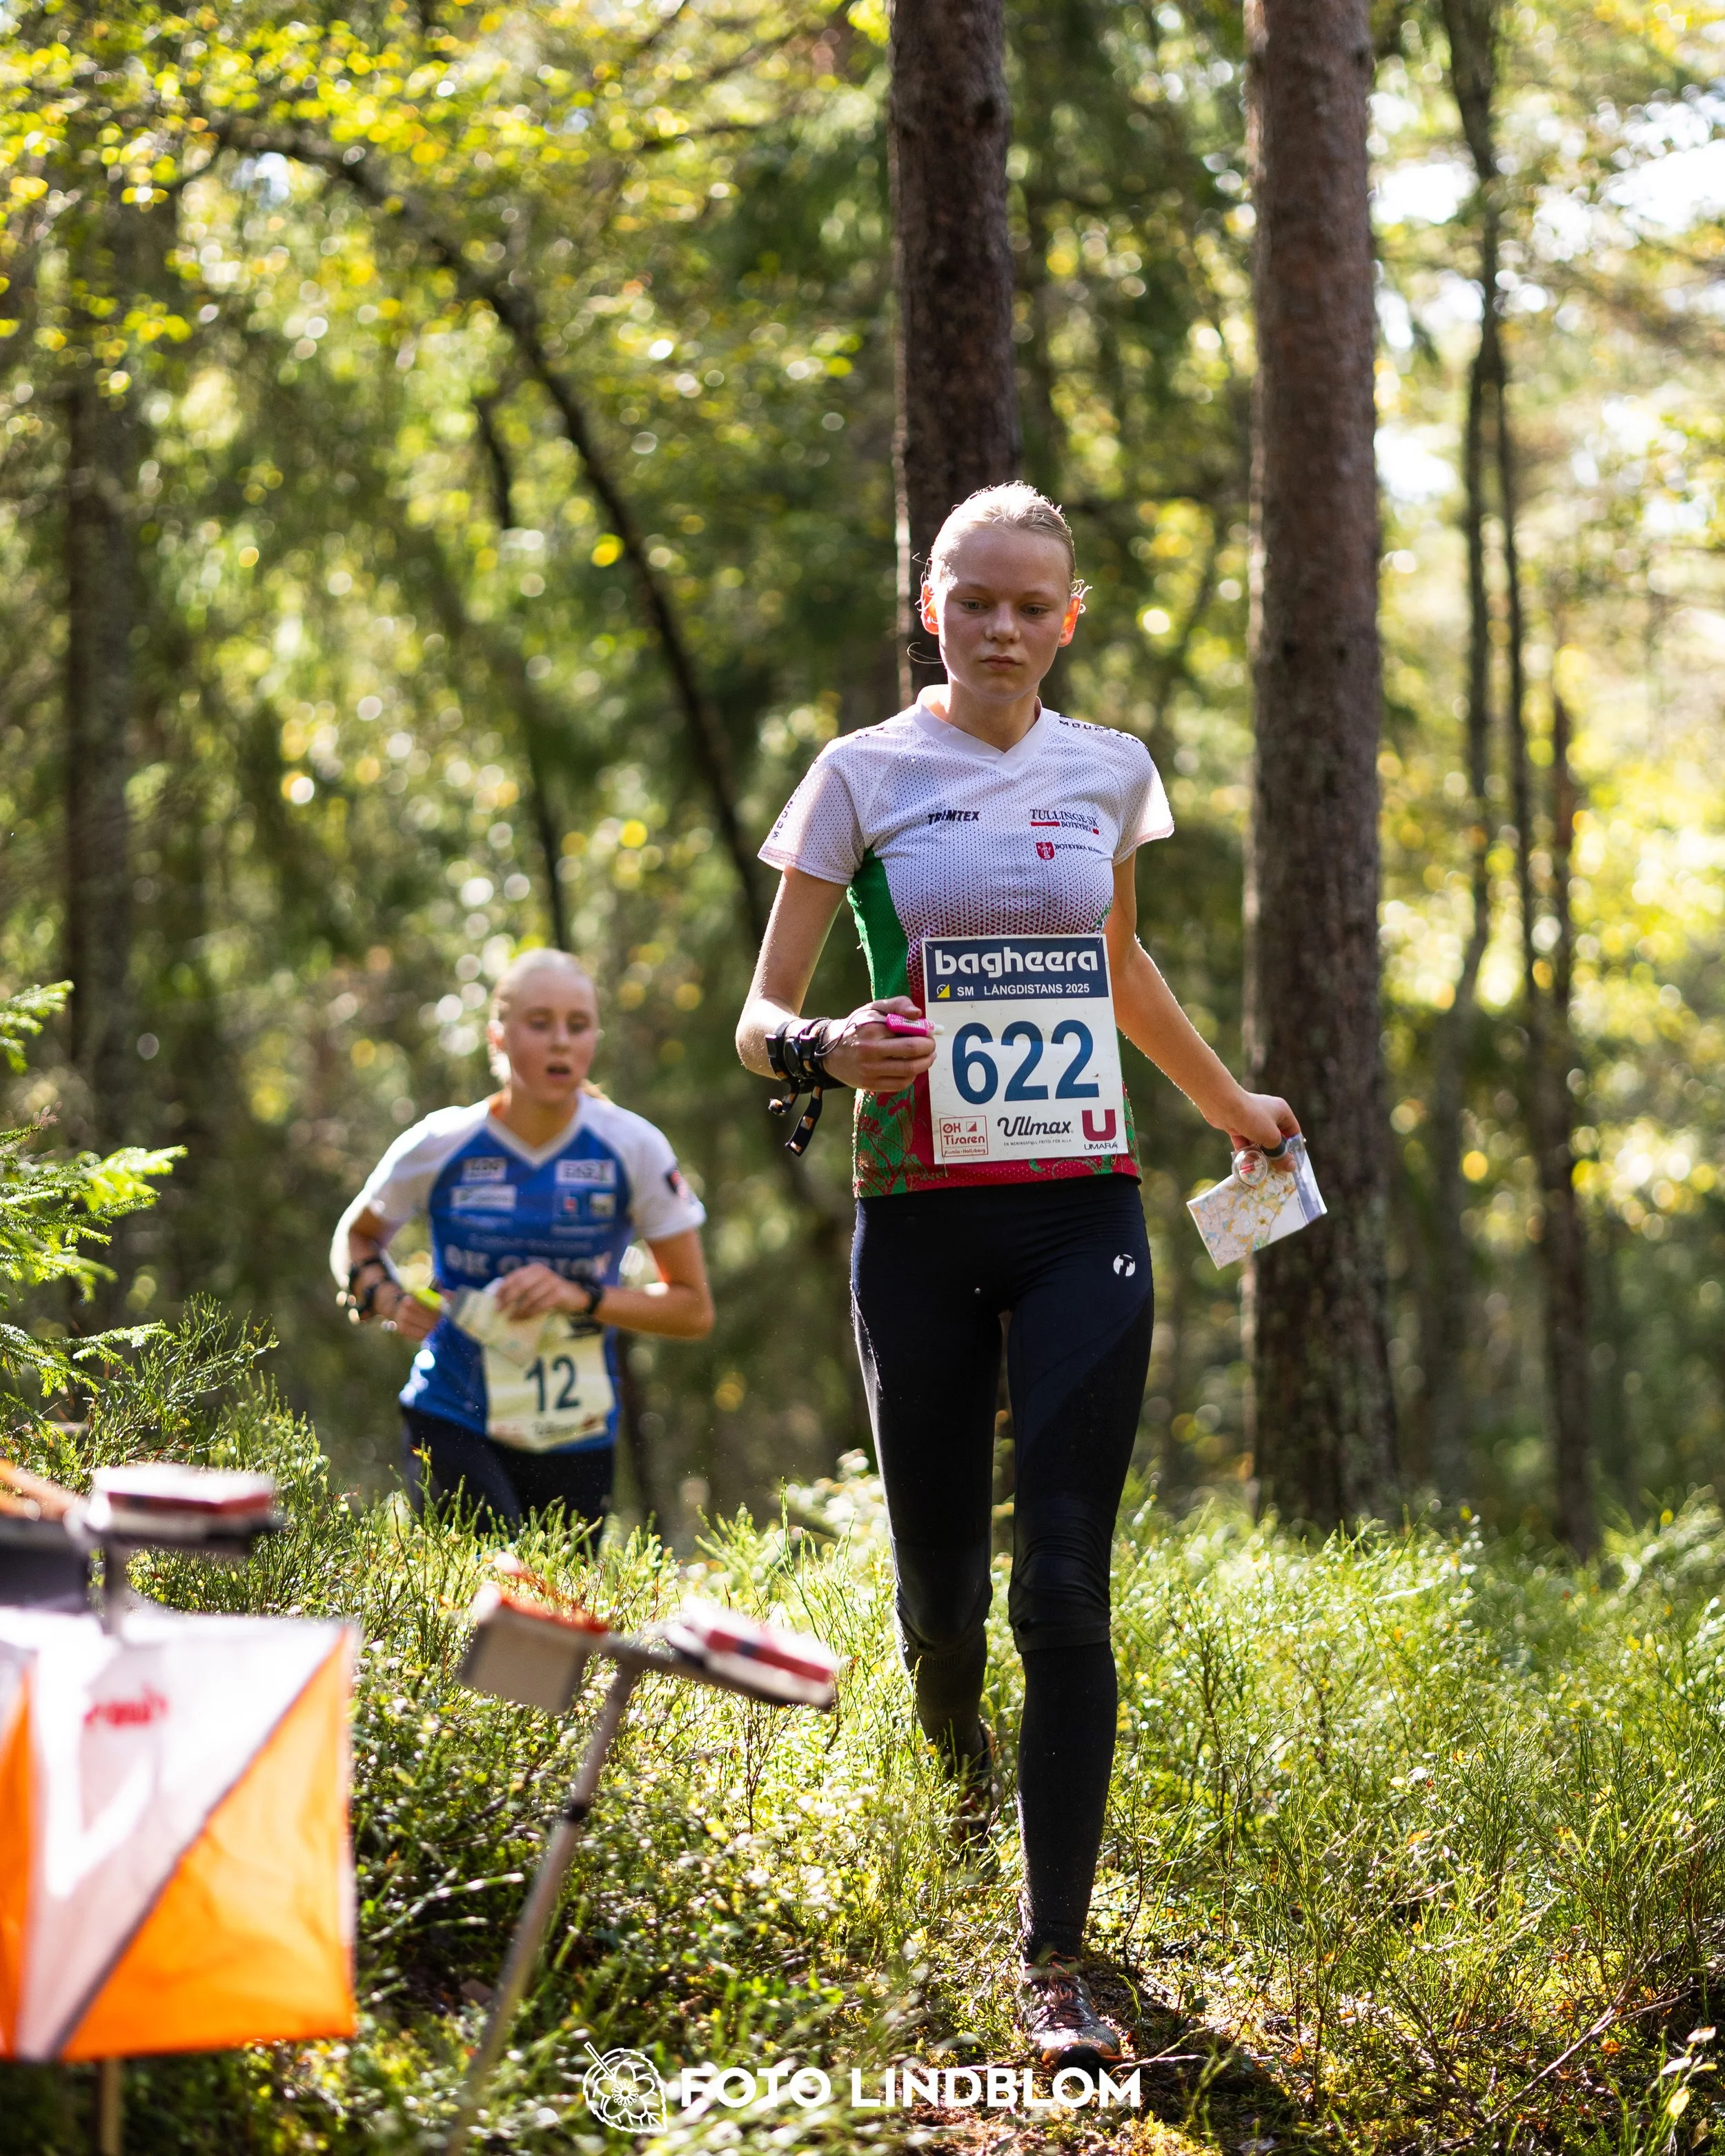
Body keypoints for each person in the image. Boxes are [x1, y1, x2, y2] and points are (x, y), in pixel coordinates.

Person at [736, 483, 1299, 2067]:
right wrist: (825, 1046)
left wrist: (1230, 1106)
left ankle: (1055, 1961)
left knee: (1064, 1578)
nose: (1000, 626)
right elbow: (757, 1011)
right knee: (941, 1597)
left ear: (1070, 617)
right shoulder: (859, 773)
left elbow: (1118, 965)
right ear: (932, 605)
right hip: (915, 1216)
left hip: (1080, 1213)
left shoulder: (1109, 771)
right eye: (971, 598)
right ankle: (960, 1779)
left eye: (1028, 603)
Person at [333, 947, 713, 1538]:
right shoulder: (441, 1142)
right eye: (539, 1024)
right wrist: (384, 1295)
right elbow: (355, 1237)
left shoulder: (633, 1147)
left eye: (578, 1025)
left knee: (557, 1619)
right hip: (453, 1411)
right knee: (490, 1592)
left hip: (576, 1430)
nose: (561, 1042)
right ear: (499, 1036)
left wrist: (580, 1296)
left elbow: (692, 1308)